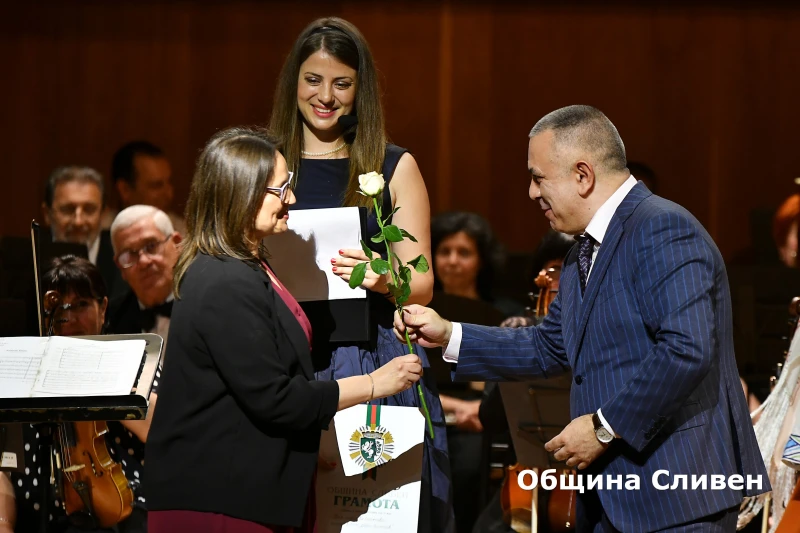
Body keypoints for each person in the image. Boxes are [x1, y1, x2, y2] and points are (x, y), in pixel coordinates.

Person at [395, 105, 770, 531]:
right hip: (616, 494)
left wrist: (603, 428)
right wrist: (449, 335)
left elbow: (686, 350)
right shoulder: (581, 253)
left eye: (538, 177)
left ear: (582, 175)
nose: (531, 193)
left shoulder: (663, 227)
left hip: (678, 496)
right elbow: (549, 343)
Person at [144, 127, 424, 532]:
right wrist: (376, 383)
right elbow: (276, 398)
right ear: (241, 193)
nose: (291, 198)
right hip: (216, 502)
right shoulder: (224, 280)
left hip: (242, 494)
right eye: (281, 189)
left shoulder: (247, 267)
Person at [268, 17, 453, 532]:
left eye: (342, 83)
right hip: (286, 360)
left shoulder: (393, 166)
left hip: (370, 355)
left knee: (369, 517)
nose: (325, 96)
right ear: (295, 83)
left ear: (359, 89)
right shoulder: (264, 164)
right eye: (313, 80)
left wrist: (378, 275)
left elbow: (421, 284)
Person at [3, 255, 157, 532]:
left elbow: (160, 428)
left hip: (122, 509)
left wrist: (97, 374)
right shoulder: (22, 369)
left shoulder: (134, 360)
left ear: (103, 308)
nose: (69, 317)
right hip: (36, 515)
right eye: (58, 307)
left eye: (81, 305)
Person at [41, 166, 124, 297]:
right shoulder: (29, 260)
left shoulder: (124, 263)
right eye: (67, 209)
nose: (78, 222)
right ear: (47, 214)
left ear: (103, 214)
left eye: (89, 209)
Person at [106, 205, 181, 348]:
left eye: (151, 246)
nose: (143, 262)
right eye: (129, 254)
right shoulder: (111, 320)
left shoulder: (206, 305)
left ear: (177, 245)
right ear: (120, 267)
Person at [103, 142, 186, 235]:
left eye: (169, 183)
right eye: (156, 186)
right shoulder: (100, 234)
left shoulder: (182, 234)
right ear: (125, 190)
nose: (169, 194)